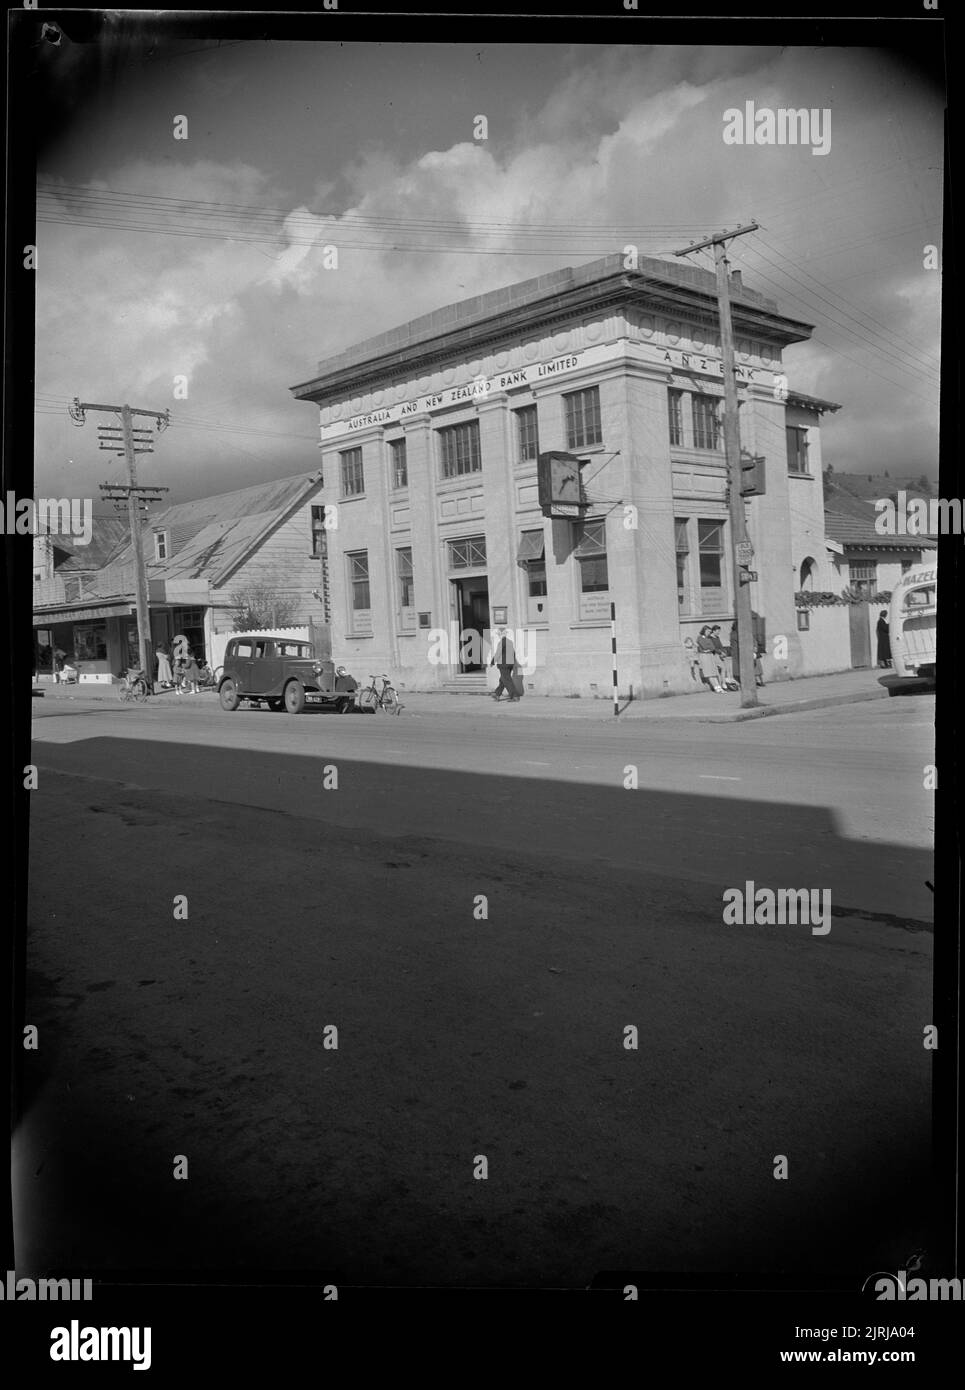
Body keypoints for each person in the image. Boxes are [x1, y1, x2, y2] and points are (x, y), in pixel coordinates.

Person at [490, 626, 518, 702]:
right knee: (503, 679)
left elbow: (498, 653)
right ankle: (497, 694)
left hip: (503, 664)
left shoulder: (501, 642)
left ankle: (514, 696)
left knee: (507, 680)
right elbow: (513, 653)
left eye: (498, 634)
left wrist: (492, 662)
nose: (498, 635)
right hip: (510, 664)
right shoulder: (510, 642)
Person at [696, 626, 724, 693]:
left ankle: (719, 687)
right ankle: (716, 688)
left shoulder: (708, 638)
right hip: (704, 656)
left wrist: (708, 648)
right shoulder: (699, 638)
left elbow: (712, 647)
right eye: (708, 631)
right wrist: (708, 648)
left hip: (710, 655)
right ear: (704, 631)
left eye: (710, 632)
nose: (709, 633)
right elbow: (704, 646)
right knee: (709, 673)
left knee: (713, 672)